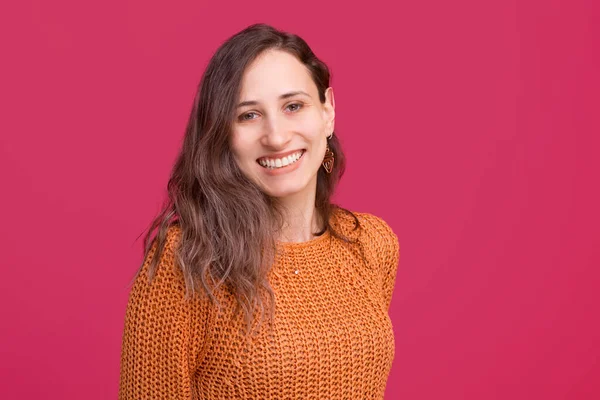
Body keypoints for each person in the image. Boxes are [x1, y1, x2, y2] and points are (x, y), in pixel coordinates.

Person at [118, 23, 400, 399]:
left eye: (293, 106)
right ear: (222, 133)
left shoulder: (370, 243)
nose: (276, 136)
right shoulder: (187, 261)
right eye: (248, 115)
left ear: (327, 110)